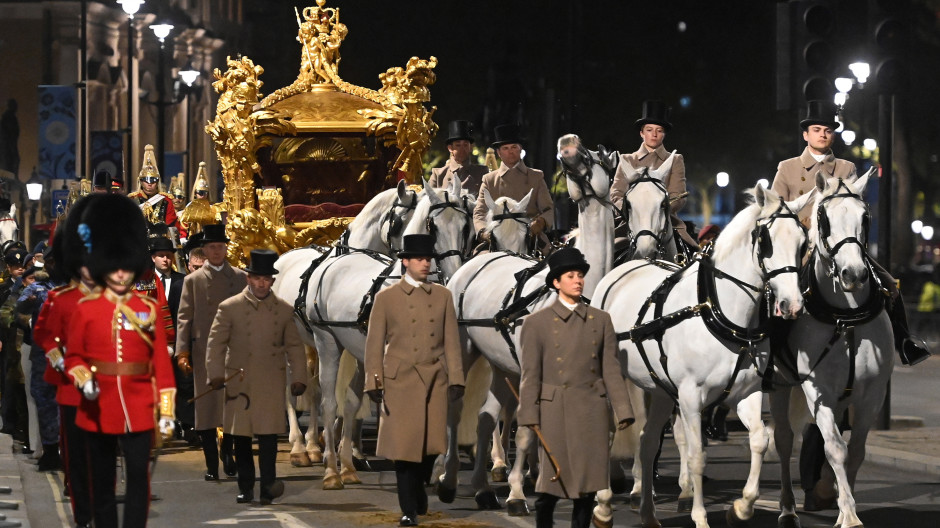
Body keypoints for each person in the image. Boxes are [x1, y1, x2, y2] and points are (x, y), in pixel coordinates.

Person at [63, 193, 176, 528]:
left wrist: (167, 410)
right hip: (98, 408)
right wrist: (84, 379)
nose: (122, 274)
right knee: (102, 483)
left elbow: (160, 364)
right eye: (116, 267)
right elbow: (73, 357)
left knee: (140, 480)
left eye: (127, 267)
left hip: (140, 407)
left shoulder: (148, 308)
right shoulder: (86, 308)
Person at [518, 247, 634, 528]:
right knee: (550, 488)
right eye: (570, 276)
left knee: (586, 490)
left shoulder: (601, 319)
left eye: (580, 275)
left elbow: (610, 369)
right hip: (553, 412)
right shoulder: (536, 323)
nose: (578, 280)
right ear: (556, 282)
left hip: (592, 411)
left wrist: (623, 409)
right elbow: (530, 374)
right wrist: (528, 416)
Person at [364, 234, 465, 527]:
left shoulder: (443, 296)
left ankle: (420, 486)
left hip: (435, 378)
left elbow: (451, 342)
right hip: (399, 380)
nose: (425, 263)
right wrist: (373, 381)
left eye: (428, 259)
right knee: (404, 449)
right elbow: (374, 344)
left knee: (431, 447)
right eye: (419, 259)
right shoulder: (386, 298)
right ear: (405, 261)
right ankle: (408, 509)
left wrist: (457, 378)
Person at [206, 249, 307, 504]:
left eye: (266, 279)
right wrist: (216, 375)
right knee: (241, 439)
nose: (262, 283)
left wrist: (299, 377)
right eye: (257, 278)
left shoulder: (284, 310)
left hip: (271, 381)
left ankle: (267, 487)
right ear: (248, 279)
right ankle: (246, 486)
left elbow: (295, 346)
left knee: (269, 439)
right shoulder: (229, 308)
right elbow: (215, 343)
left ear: (272, 281)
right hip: (240, 381)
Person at [33, 196, 100, 528]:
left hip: (104, 387)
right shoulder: (60, 300)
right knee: (74, 454)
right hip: (71, 390)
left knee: (101, 454)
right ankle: (82, 508)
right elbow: (44, 336)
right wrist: (61, 363)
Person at [176, 223, 245, 481]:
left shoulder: (239, 277)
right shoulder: (192, 281)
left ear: (226, 248)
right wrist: (182, 352)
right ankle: (210, 465)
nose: (217, 252)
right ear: (204, 250)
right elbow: (184, 318)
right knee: (205, 408)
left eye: (220, 247)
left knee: (230, 407)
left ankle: (228, 452)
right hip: (203, 351)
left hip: (233, 351)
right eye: (212, 247)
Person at [610, 100, 696, 249]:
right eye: (649, 130)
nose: (654, 134)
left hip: (666, 222)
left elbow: (678, 194)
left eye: (659, 130)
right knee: (608, 258)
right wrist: (632, 209)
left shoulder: (675, 160)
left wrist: (658, 209)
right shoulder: (627, 159)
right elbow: (616, 194)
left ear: (664, 134)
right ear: (641, 133)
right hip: (630, 222)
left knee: (695, 258)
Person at [472, 124, 553, 244]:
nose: (510, 152)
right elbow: (479, 213)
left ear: (520, 149)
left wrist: (540, 222)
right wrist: (484, 232)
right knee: (477, 261)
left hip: (531, 237)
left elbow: (548, 209)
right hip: (496, 237)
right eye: (505, 148)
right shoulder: (489, 180)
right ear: (499, 153)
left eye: (514, 147)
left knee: (552, 261)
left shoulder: (536, 176)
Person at [151, 236, 193, 442]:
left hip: (178, 338)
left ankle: (186, 424)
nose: (166, 260)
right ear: (153, 258)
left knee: (182, 381)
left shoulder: (182, 280)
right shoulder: (146, 281)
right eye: (161, 256)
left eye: (168, 256)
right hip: (155, 338)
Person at [127, 144, 180, 233]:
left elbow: (172, 226)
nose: (149, 184)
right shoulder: (132, 200)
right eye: (146, 181)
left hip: (160, 242)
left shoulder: (166, 200)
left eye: (153, 181)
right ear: (141, 181)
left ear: (157, 181)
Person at [427, 120, 488, 197]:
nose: (462, 149)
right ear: (450, 148)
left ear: (470, 147)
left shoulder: (482, 173)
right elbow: (429, 201)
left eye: (465, 145)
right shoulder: (438, 175)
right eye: (458, 145)